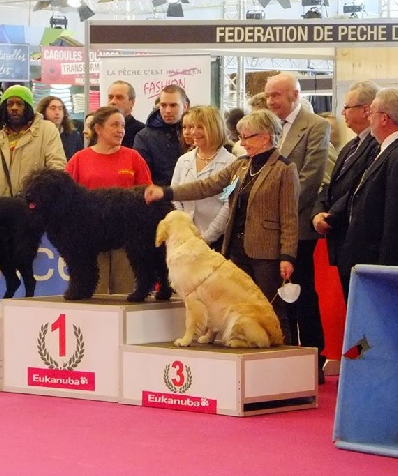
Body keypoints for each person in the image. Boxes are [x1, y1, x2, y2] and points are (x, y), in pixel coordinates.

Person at [145, 109, 299, 342]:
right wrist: (167, 191)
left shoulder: (284, 169)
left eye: (247, 137)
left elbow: (289, 217)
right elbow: (206, 186)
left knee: (272, 309)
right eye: (241, 137)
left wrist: (287, 255)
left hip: (267, 252)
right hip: (237, 248)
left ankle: (282, 353)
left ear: (265, 137)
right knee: (236, 303)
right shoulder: (241, 165)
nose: (242, 142)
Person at [265, 72, 329, 377]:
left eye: (276, 95)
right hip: (270, 229)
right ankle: (286, 354)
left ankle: (314, 358)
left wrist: (281, 212)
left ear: (295, 94)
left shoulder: (316, 126)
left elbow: (311, 177)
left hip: (299, 227)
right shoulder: (266, 126)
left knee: (303, 293)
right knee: (279, 294)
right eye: (267, 96)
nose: (270, 101)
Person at [339, 88, 398, 294]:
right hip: (367, 260)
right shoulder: (389, 148)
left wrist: (385, 271)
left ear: (384, 119)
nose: (368, 117)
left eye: (371, 112)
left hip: (378, 264)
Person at [65, 106, 152, 294]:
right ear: (98, 129)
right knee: (95, 292)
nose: (121, 130)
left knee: (126, 290)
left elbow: (147, 195)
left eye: (122, 125)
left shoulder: (133, 158)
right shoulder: (79, 159)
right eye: (114, 125)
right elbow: (67, 199)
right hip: (89, 237)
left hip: (127, 235)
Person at [312, 81, 380, 300]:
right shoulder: (350, 146)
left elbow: (357, 190)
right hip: (340, 241)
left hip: (358, 241)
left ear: (366, 110)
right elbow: (331, 186)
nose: (343, 113)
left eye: (347, 107)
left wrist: (330, 217)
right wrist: (318, 211)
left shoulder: (377, 145)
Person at [0, 85, 66, 198]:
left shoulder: (47, 131)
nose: (14, 107)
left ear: (28, 107)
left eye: (19, 103)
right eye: (10, 104)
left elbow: (56, 168)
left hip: (35, 207)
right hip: (2, 208)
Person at [171, 106, 236, 251]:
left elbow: (229, 203)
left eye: (200, 127)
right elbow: (175, 195)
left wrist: (207, 237)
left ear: (214, 128)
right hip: (186, 239)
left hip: (218, 241)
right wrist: (186, 228)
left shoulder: (231, 162)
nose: (193, 132)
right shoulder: (183, 160)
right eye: (192, 127)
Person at [133, 84, 188, 186]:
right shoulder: (144, 137)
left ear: (185, 107)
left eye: (173, 105)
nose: (167, 110)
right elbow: (142, 175)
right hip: (159, 197)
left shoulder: (194, 133)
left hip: (192, 194)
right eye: (163, 105)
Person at [36, 95, 83, 160]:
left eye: (60, 109)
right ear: (44, 111)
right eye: (53, 108)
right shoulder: (36, 135)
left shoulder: (73, 136)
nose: (57, 112)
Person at [106, 80, 145, 149]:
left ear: (132, 102)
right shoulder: (101, 130)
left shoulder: (142, 132)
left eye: (119, 97)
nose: (113, 101)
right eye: (110, 97)